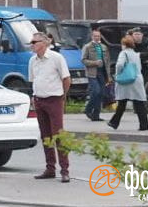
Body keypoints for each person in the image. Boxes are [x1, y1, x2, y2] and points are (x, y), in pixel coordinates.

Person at [28, 31, 71, 183]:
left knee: (58, 134)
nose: (32, 45)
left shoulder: (56, 58)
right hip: (39, 100)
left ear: (44, 43)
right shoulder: (33, 60)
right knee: (45, 135)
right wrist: (34, 98)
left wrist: (62, 96)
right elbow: (33, 80)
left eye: (35, 42)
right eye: (31, 42)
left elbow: (66, 79)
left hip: (54, 99)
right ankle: (50, 168)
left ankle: (65, 170)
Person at [108, 34, 148, 131]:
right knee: (139, 103)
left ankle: (114, 122)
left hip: (126, 81)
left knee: (122, 102)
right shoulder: (136, 54)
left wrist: (118, 74)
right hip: (137, 79)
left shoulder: (123, 53)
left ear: (124, 45)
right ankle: (144, 125)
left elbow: (119, 65)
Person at [80, 27, 111, 121]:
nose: (97, 37)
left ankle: (96, 115)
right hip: (92, 73)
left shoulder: (104, 47)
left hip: (102, 72)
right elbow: (83, 60)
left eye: (98, 36)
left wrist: (109, 76)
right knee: (96, 91)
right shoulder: (87, 46)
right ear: (92, 36)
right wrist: (94, 63)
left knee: (101, 93)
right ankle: (88, 109)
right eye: (95, 36)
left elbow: (108, 62)